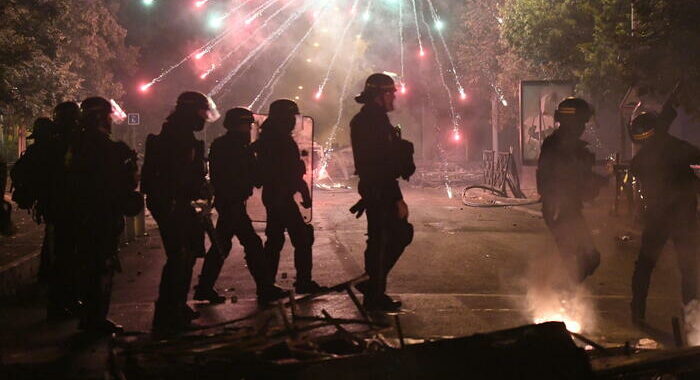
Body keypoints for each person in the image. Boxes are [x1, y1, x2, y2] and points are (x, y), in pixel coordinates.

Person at [194, 107, 286, 304]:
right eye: (247, 124)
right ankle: (265, 287)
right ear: (240, 125)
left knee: (222, 245)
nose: (249, 128)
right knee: (252, 244)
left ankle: (204, 287)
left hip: (230, 201)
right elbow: (251, 176)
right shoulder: (236, 147)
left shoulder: (224, 145)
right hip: (232, 202)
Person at [142, 91, 216, 333]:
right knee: (179, 257)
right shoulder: (174, 139)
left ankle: (177, 305)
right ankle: (167, 312)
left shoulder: (181, 136)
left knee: (188, 255)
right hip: (173, 204)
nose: (203, 119)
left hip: (181, 204)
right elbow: (174, 177)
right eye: (200, 114)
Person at [70, 97, 141, 334]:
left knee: (88, 266)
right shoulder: (105, 147)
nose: (111, 121)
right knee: (101, 267)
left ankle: (89, 318)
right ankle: (94, 320)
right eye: (109, 117)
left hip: (80, 215)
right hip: (100, 215)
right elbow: (119, 183)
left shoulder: (76, 144)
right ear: (101, 117)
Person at [628, 99, 700, 324]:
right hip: (677, 218)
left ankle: (639, 312)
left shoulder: (644, 157)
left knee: (649, 266)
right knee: (687, 267)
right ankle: (692, 316)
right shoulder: (670, 148)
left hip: (665, 218)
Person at [349, 73, 415, 311]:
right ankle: (374, 291)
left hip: (376, 187)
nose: (395, 96)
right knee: (391, 237)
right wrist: (396, 197)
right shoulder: (372, 123)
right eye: (391, 92)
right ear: (381, 95)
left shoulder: (370, 120)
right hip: (380, 188)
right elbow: (381, 163)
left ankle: (374, 285)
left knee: (382, 239)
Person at [252, 99, 326, 294]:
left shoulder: (269, 137)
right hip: (281, 195)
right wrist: (302, 190)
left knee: (275, 240)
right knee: (302, 238)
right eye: (291, 117)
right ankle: (302, 282)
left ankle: (266, 286)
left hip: (276, 194)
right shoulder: (279, 140)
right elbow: (288, 171)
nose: (294, 121)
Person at [536, 97, 605, 283]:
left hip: (569, 207)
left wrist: (594, 181)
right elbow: (557, 176)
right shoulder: (557, 145)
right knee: (576, 259)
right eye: (582, 122)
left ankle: (568, 293)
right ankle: (563, 296)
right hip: (559, 208)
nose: (584, 126)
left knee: (586, 258)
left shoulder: (568, 146)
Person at [45, 102, 82, 320]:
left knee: (64, 256)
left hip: (59, 206)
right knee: (68, 256)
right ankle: (62, 303)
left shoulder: (55, 141)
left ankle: (63, 302)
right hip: (67, 206)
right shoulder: (66, 142)